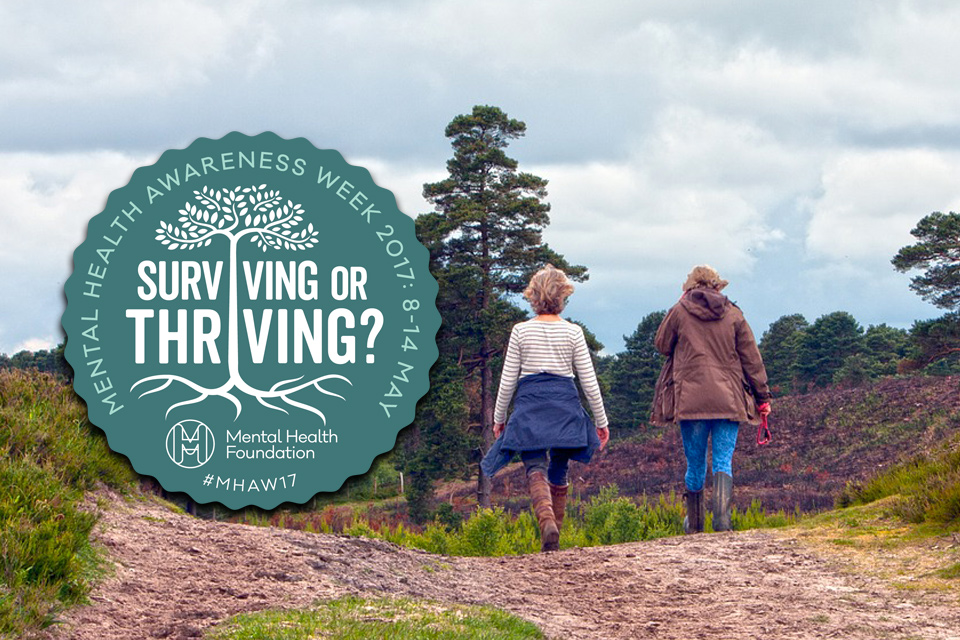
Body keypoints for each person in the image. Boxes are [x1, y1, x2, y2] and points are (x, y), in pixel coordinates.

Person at [481, 265, 609, 552]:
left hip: (530, 405)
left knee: (535, 466)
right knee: (559, 466)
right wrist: (601, 421)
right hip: (565, 405)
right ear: (562, 297)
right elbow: (589, 383)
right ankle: (554, 540)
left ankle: (546, 520)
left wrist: (499, 418)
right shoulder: (574, 333)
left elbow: (507, 380)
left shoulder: (521, 332)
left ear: (533, 297)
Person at [651, 265, 771, 534]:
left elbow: (661, 345)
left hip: (690, 399)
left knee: (695, 463)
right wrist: (762, 397)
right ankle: (722, 521)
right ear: (717, 286)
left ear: (689, 287)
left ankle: (694, 523)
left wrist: (678, 305)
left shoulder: (680, 312)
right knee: (723, 461)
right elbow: (752, 359)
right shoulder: (734, 314)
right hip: (728, 399)